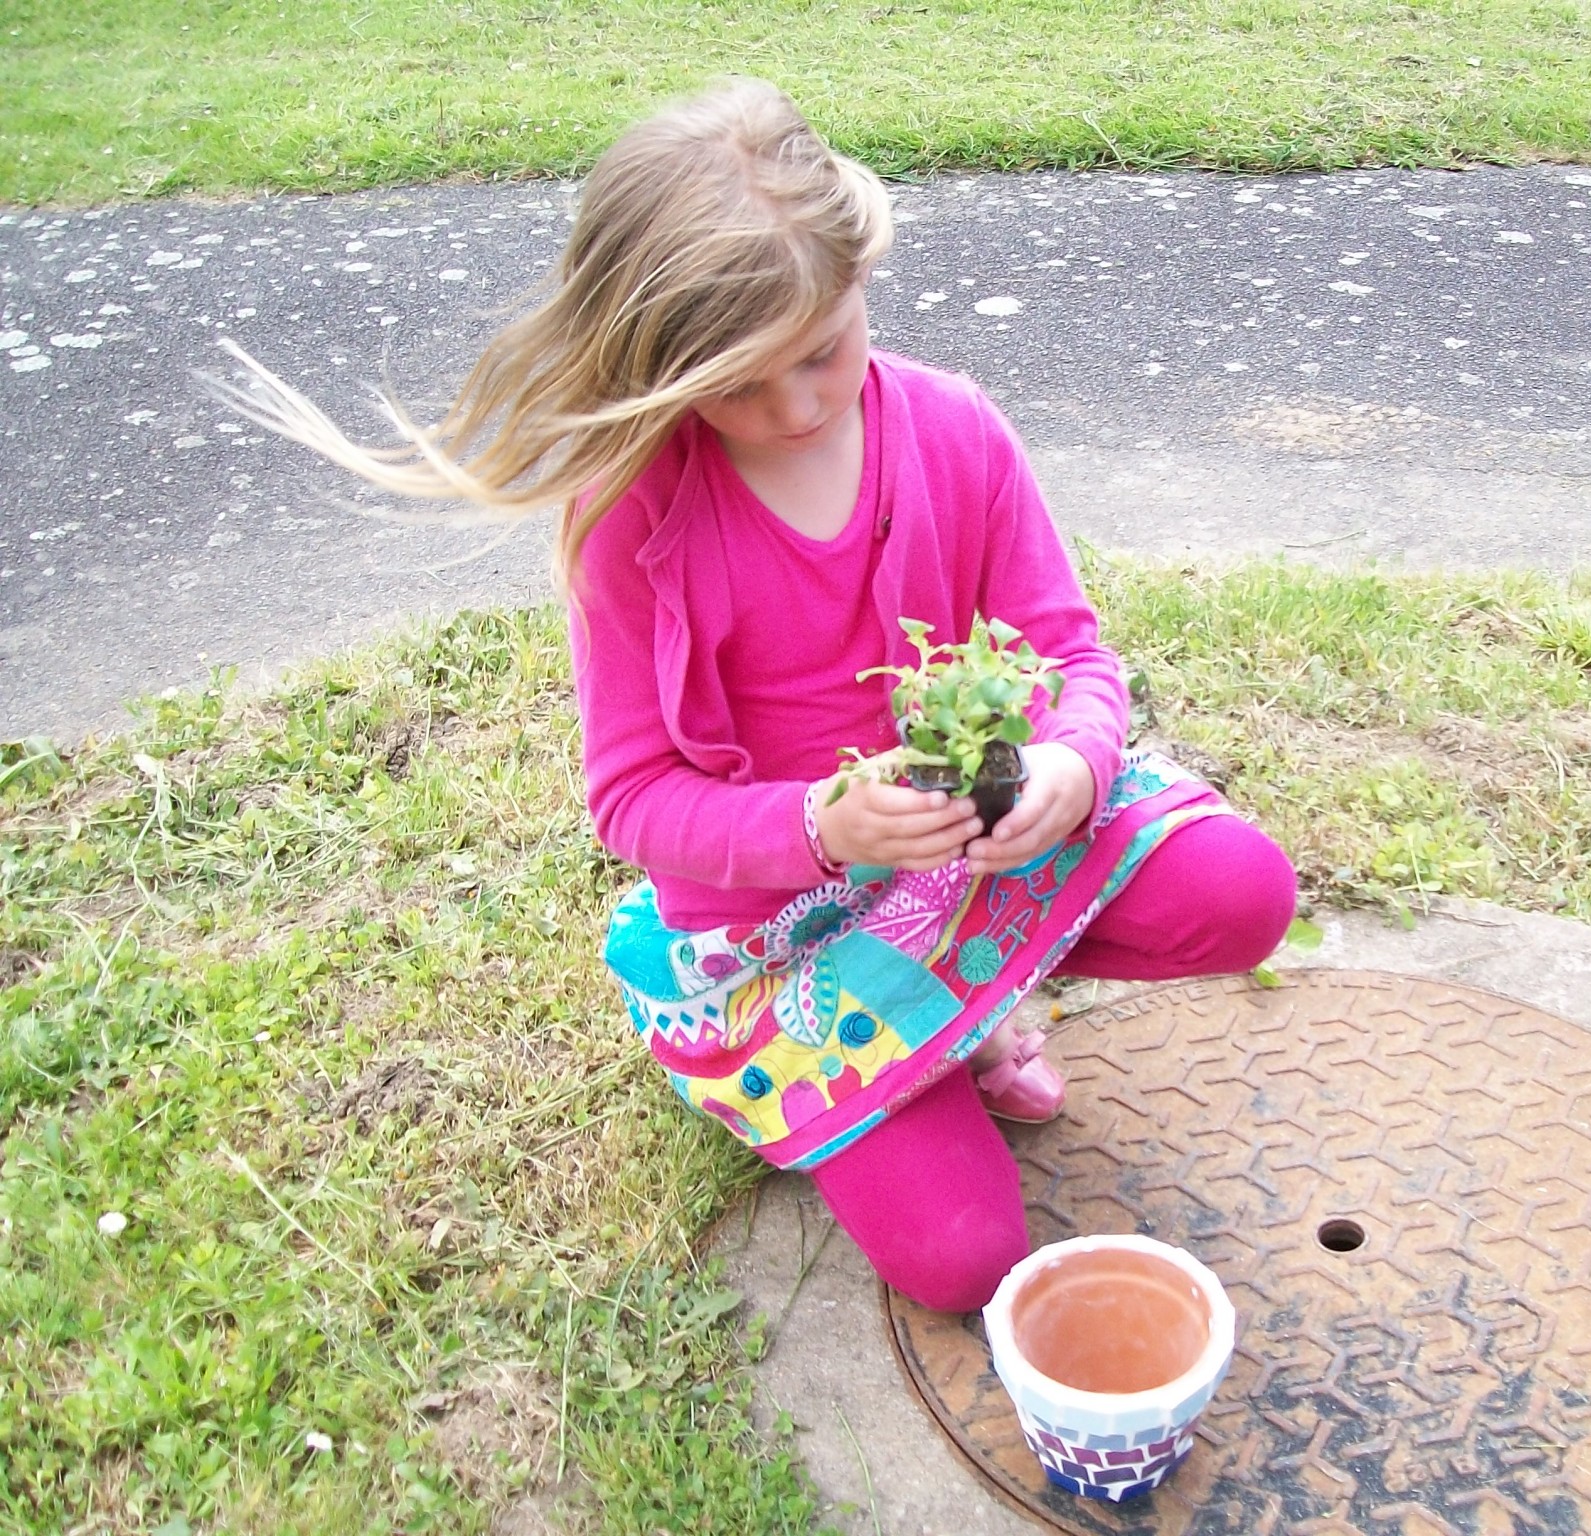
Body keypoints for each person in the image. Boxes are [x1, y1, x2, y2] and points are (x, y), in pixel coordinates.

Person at [213, 79, 1297, 1313]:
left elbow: (1070, 656)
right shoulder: (629, 513)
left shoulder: (953, 430)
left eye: (821, 351)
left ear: (858, 274)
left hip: (976, 859)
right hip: (793, 930)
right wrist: (820, 827)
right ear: (651, 367)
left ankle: (970, 1006)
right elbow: (631, 798)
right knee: (962, 1261)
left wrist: (1070, 766)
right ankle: (901, 1040)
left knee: (1242, 891)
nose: (795, 407)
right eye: (736, 384)